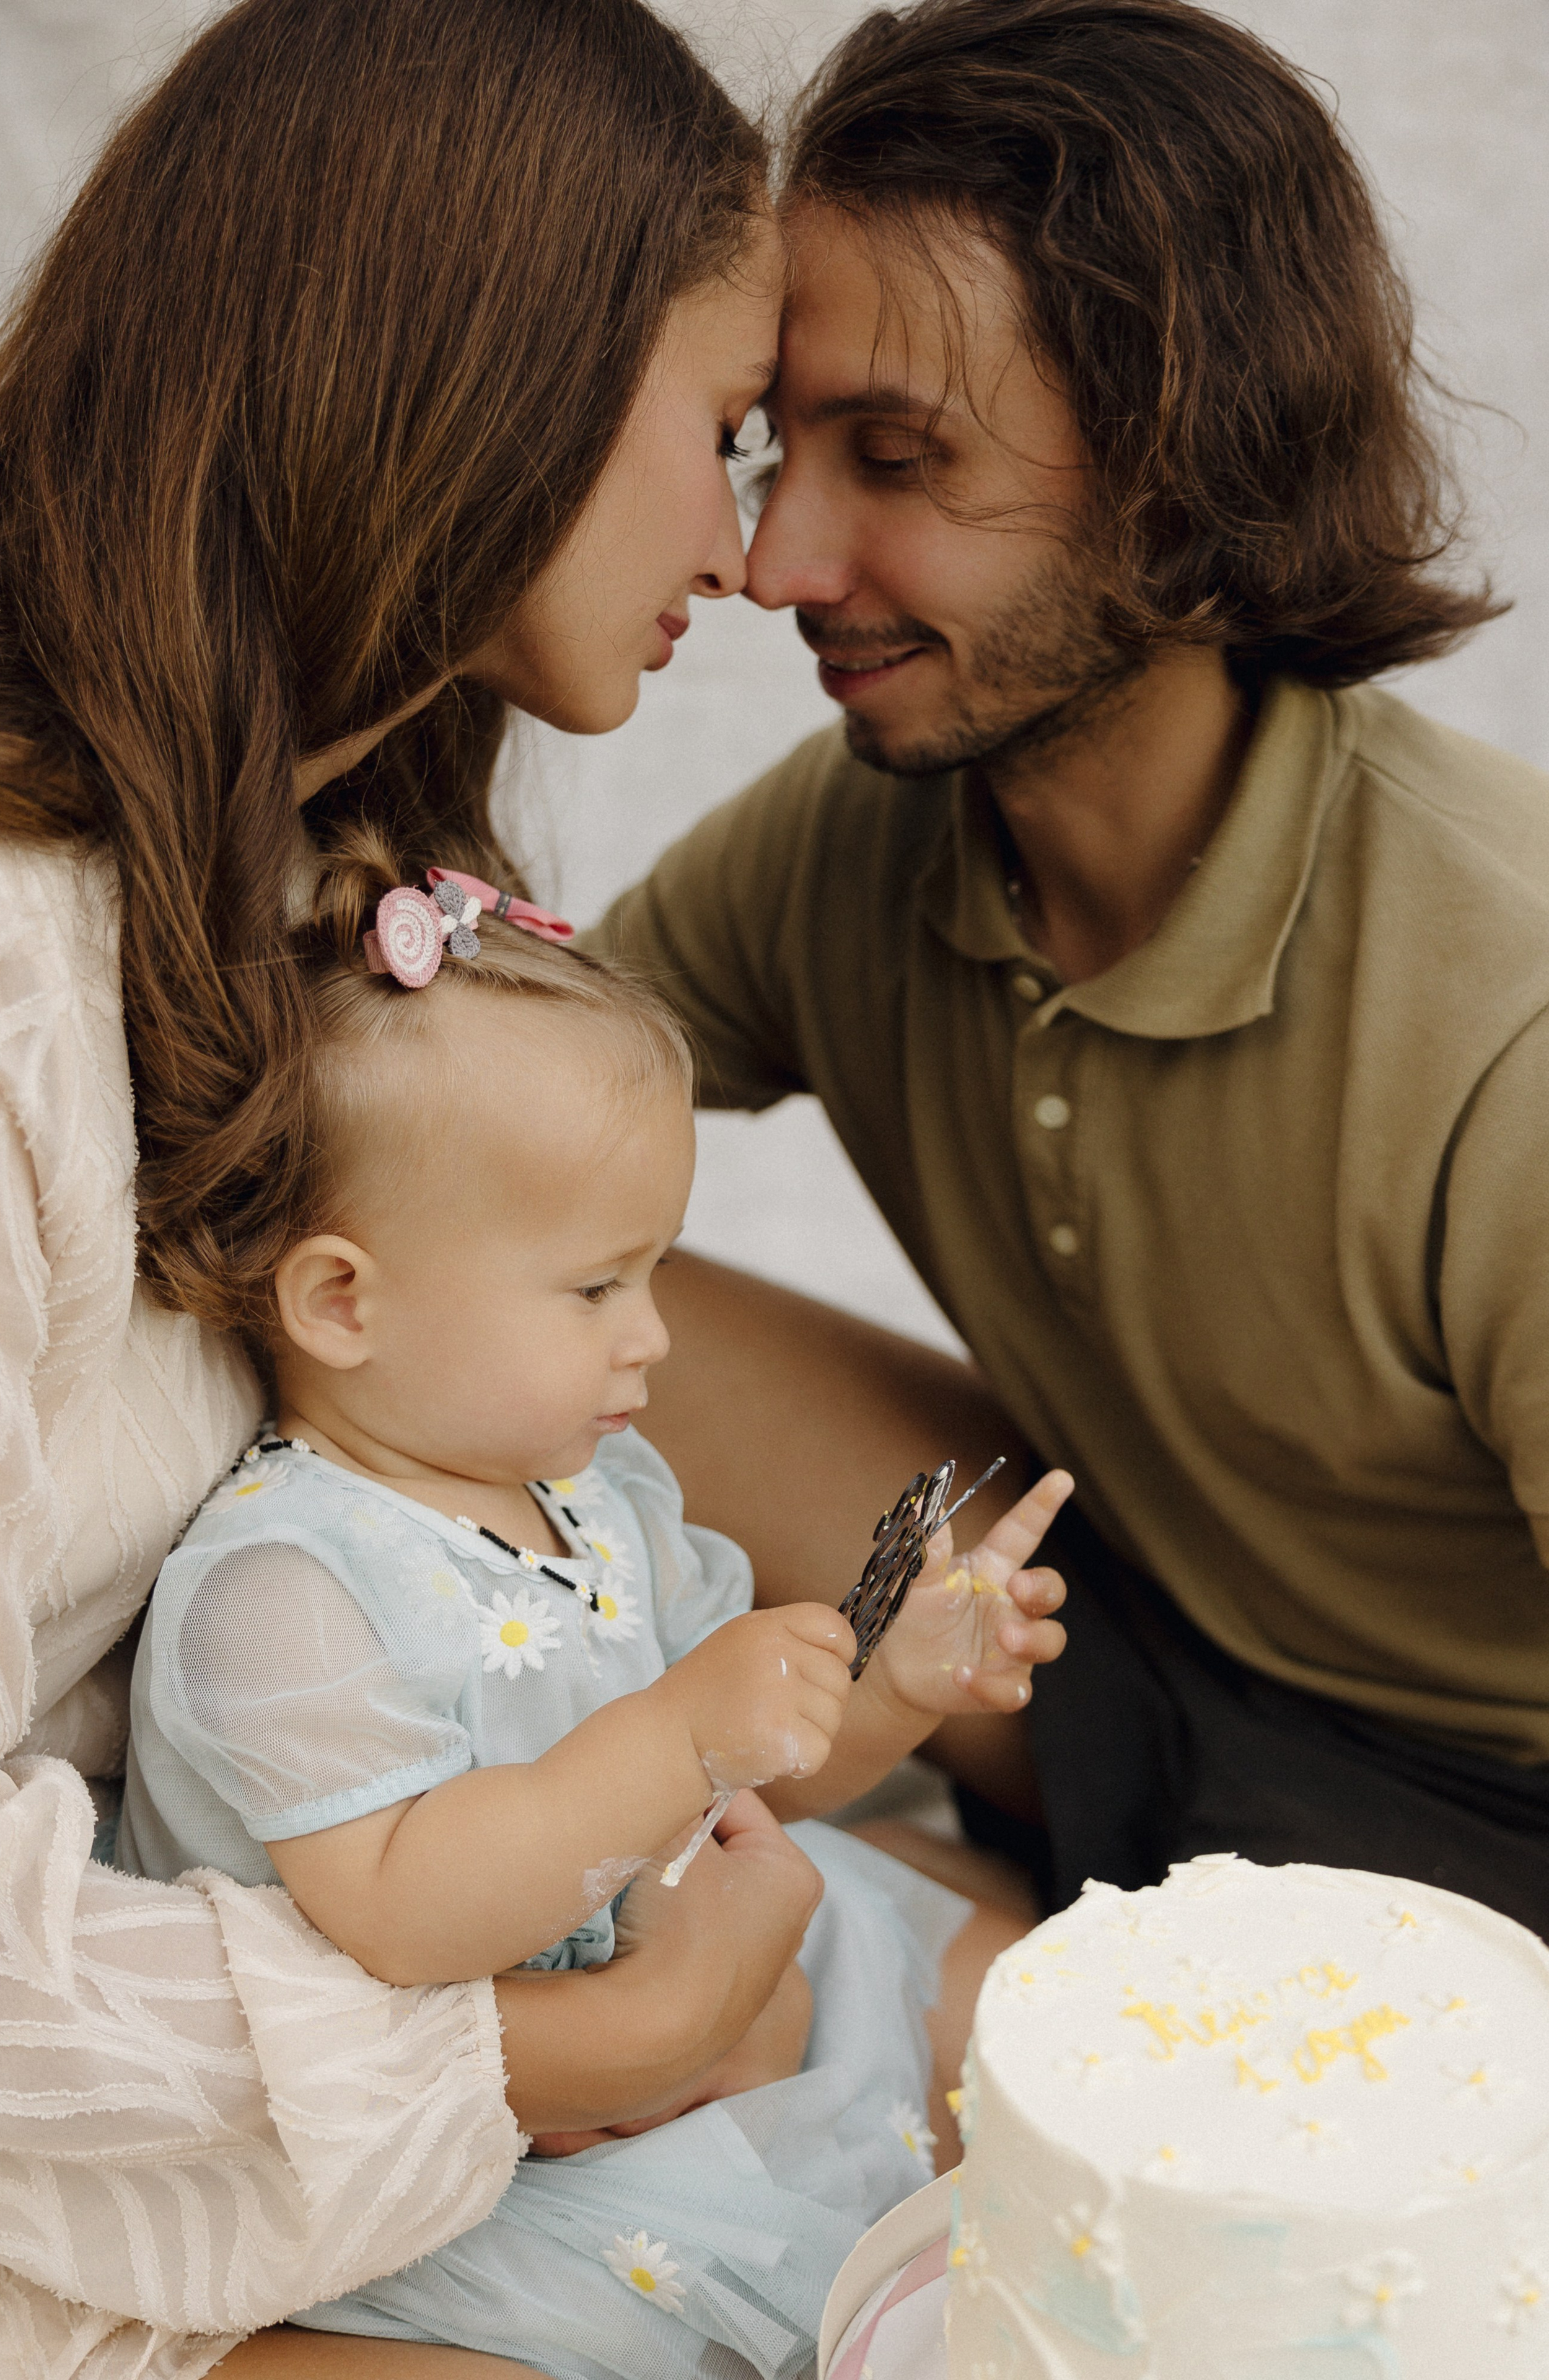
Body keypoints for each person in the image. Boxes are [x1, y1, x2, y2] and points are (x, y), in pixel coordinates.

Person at [0, 1, 830, 2371]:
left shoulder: (315, 869)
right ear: (498, 369)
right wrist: (583, 2048)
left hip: (316, 1900)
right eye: (723, 433)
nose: (750, 552)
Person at [589, 0, 1549, 1939]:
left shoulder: (1505, 1015)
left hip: (1489, 1818)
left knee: (757, 2019)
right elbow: (449, 1098)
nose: (778, 563)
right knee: (521, 1253)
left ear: (1182, 475)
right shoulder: (852, 840)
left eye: (897, 458)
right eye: (778, 451)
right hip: (1113, 1634)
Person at [114, 831, 1069, 2380]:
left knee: (1021, 2005)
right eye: (593, 1288)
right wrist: (677, 1734)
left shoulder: (592, 1491)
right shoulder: (280, 1585)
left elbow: (747, 1794)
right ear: (343, 1302)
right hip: (510, 2146)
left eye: (653, 1275)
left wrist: (885, 1690)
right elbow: (404, 1911)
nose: (652, 1338)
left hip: (696, 1957)